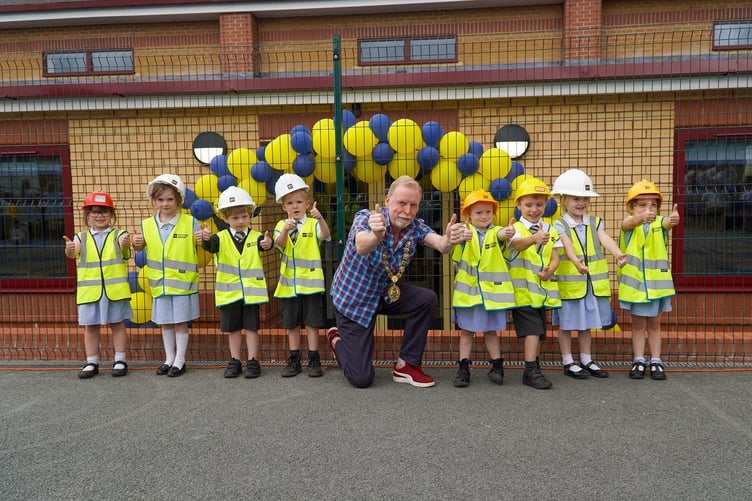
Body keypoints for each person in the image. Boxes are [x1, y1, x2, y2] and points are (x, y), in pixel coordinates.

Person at [327, 175, 467, 389]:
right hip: (353, 302)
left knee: (425, 299)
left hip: (384, 293)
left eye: (413, 205)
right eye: (402, 203)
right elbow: (361, 246)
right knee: (361, 379)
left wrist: (449, 239)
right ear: (387, 201)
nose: (407, 211)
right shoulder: (366, 217)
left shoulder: (415, 227)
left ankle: (406, 366)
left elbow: (440, 244)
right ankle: (337, 339)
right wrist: (375, 235)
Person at [550, 169, 628, 380]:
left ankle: (586, 359)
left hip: (591, 285)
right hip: (569, 286)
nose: (581, 203)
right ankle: (568, 361)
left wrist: (618, 253)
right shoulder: (558, 225)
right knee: (566, 325)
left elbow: (605, 239)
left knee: (586, 325)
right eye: (576, 198)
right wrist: (575, 261)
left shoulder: (595, 222)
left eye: (585, 198)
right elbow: (566, 246)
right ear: (564, 199)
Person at [199, 186, 273, 379]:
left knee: (251, 328)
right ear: (225, 218)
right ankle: (234, 360)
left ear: (250, 215)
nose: (240, 221)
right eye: (235, 218)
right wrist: (205, 239)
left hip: (251, 294)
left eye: (244, 217)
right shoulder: (219, 238)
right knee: (232, 329)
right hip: (229, 293)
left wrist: (268, 243)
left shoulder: (257, 237)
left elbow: (266, 245)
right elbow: (209, 246)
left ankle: (253, 360)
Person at [131, 174, 201, 378]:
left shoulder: (190, 222)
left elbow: (202, 245)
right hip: (159, 283)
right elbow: (140, 246)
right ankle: (169, 358)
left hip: (182, 284)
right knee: (165, 322)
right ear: (154, 201)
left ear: (178, 199)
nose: (165, 203)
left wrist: (204, 239)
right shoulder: (146, 225)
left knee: (180, 321)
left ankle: (180, 359)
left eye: (170, 199)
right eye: (160, 200)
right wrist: (136, 243)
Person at [451, 189, 516, 387]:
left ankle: (497, 367)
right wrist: (461, 237)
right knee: (466, 332)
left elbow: (503, 234)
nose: (484, 216)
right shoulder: (463, 233)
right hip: (468, 295)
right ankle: (463, 368)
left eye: (488, 212)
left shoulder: (496, 232)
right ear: (468, 215)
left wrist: (508, 232)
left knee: (490, 331)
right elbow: (456, 256)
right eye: (478, 212)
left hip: (491, 295)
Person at [64, 191, 132, 379]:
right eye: (94, 212)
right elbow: (73, 253)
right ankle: (91, 361)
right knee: (90, 326)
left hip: (114, 291)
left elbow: (124, 246)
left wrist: (125, 243)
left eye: (104, 211)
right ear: (87, 215)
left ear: (112, 215)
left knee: (117, 324)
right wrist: (69, 250)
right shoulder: (80, 238)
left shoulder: (120, 234)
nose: (99, 216)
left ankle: (120, 359)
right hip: (90, 292)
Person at [618, 180, 680, 381]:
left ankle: (655, 360)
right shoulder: (628, 224)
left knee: (654, 324)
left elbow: (667, 223)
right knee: (637, 325)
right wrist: (639, 218)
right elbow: (628, 223)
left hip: (655, 287)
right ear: (631, 207)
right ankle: (638, 360)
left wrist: (673, 219)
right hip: (636, 286)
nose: (648, 209)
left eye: (653, 205)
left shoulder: (658, 223)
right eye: (642, 204)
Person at [506, 177, 562, 390]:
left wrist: (551, 269)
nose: (534, 209)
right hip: (522, 292)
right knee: (532, 330)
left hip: (542, 291)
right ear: (519, 205)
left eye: (539, 205)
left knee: (539, 331)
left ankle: (534, 367)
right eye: (528, 205)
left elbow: (555, 255)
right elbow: (517, 245)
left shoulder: (551, 228)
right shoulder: (516, 228)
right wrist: (535, 238)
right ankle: (531, 370)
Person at [273, 174, 331, 378]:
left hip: (311, 285)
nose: (295, 206)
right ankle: (294, 359)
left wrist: (320, 217)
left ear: (307, 204)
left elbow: (325, 234)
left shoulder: (312, 224)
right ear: (284, 207)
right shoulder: (281, 226)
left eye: (299, 202)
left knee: (313, 323)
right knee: (292, 324)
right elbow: (278, 245)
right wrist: (285, 232)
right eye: (290, 203)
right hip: (289, 286)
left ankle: (314, 359)